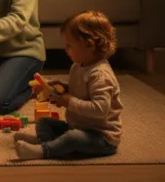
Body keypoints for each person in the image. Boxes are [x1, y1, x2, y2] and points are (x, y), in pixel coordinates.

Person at [14, 11, 122, 160]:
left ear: (89, 45)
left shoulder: (100, 75)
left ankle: (43, 150)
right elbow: (81, 91)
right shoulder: (77, 66)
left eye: (70, 45)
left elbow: (100, 110)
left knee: (73, 137)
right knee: (44, 122)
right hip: (78, 126)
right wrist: (63, 89)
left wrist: (69, 101)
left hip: (101, 137)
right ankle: (49, 144)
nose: (66, 49)